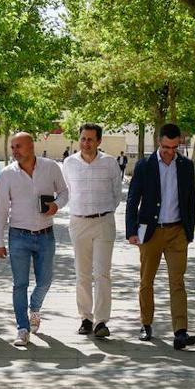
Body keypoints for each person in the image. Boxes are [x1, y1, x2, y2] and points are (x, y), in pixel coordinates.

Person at [126, 123, 195, 350]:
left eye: (174, 147)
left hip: (177, 232)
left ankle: (180, 331)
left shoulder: (186, 166)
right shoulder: (144, 166)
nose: (169, 151)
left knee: (177, 282)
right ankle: (146, 324)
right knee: (147, 281)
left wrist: (189, 232)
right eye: (166, 146)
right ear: (159, 141)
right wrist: (131, 231)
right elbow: (132, 199)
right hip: (151, 232)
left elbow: (190, 201)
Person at [0, 133, 68, 346]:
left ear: (31, 146)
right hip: (18, 235)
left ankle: (34, 308)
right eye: (12, 147)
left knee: (45, 281)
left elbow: (64, 192)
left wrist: (57, 205)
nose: (14, 150)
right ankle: (22, 328)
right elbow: (1, 210)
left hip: (45, 235)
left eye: (18, 146)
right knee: (20, 284)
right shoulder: (7, 174)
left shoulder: (50, 167)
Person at [62, 123, 124, 339]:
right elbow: (67, 190)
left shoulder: (110, 163)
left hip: (103, 222)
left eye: (90, 139)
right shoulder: (69, 163)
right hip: (78, 223)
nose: (86, 143)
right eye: (83, 139)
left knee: (102, 273)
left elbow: (117, 193)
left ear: (99, 141)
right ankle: (86, 318)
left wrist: (103, 211)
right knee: (82, 274)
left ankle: (101, 322)